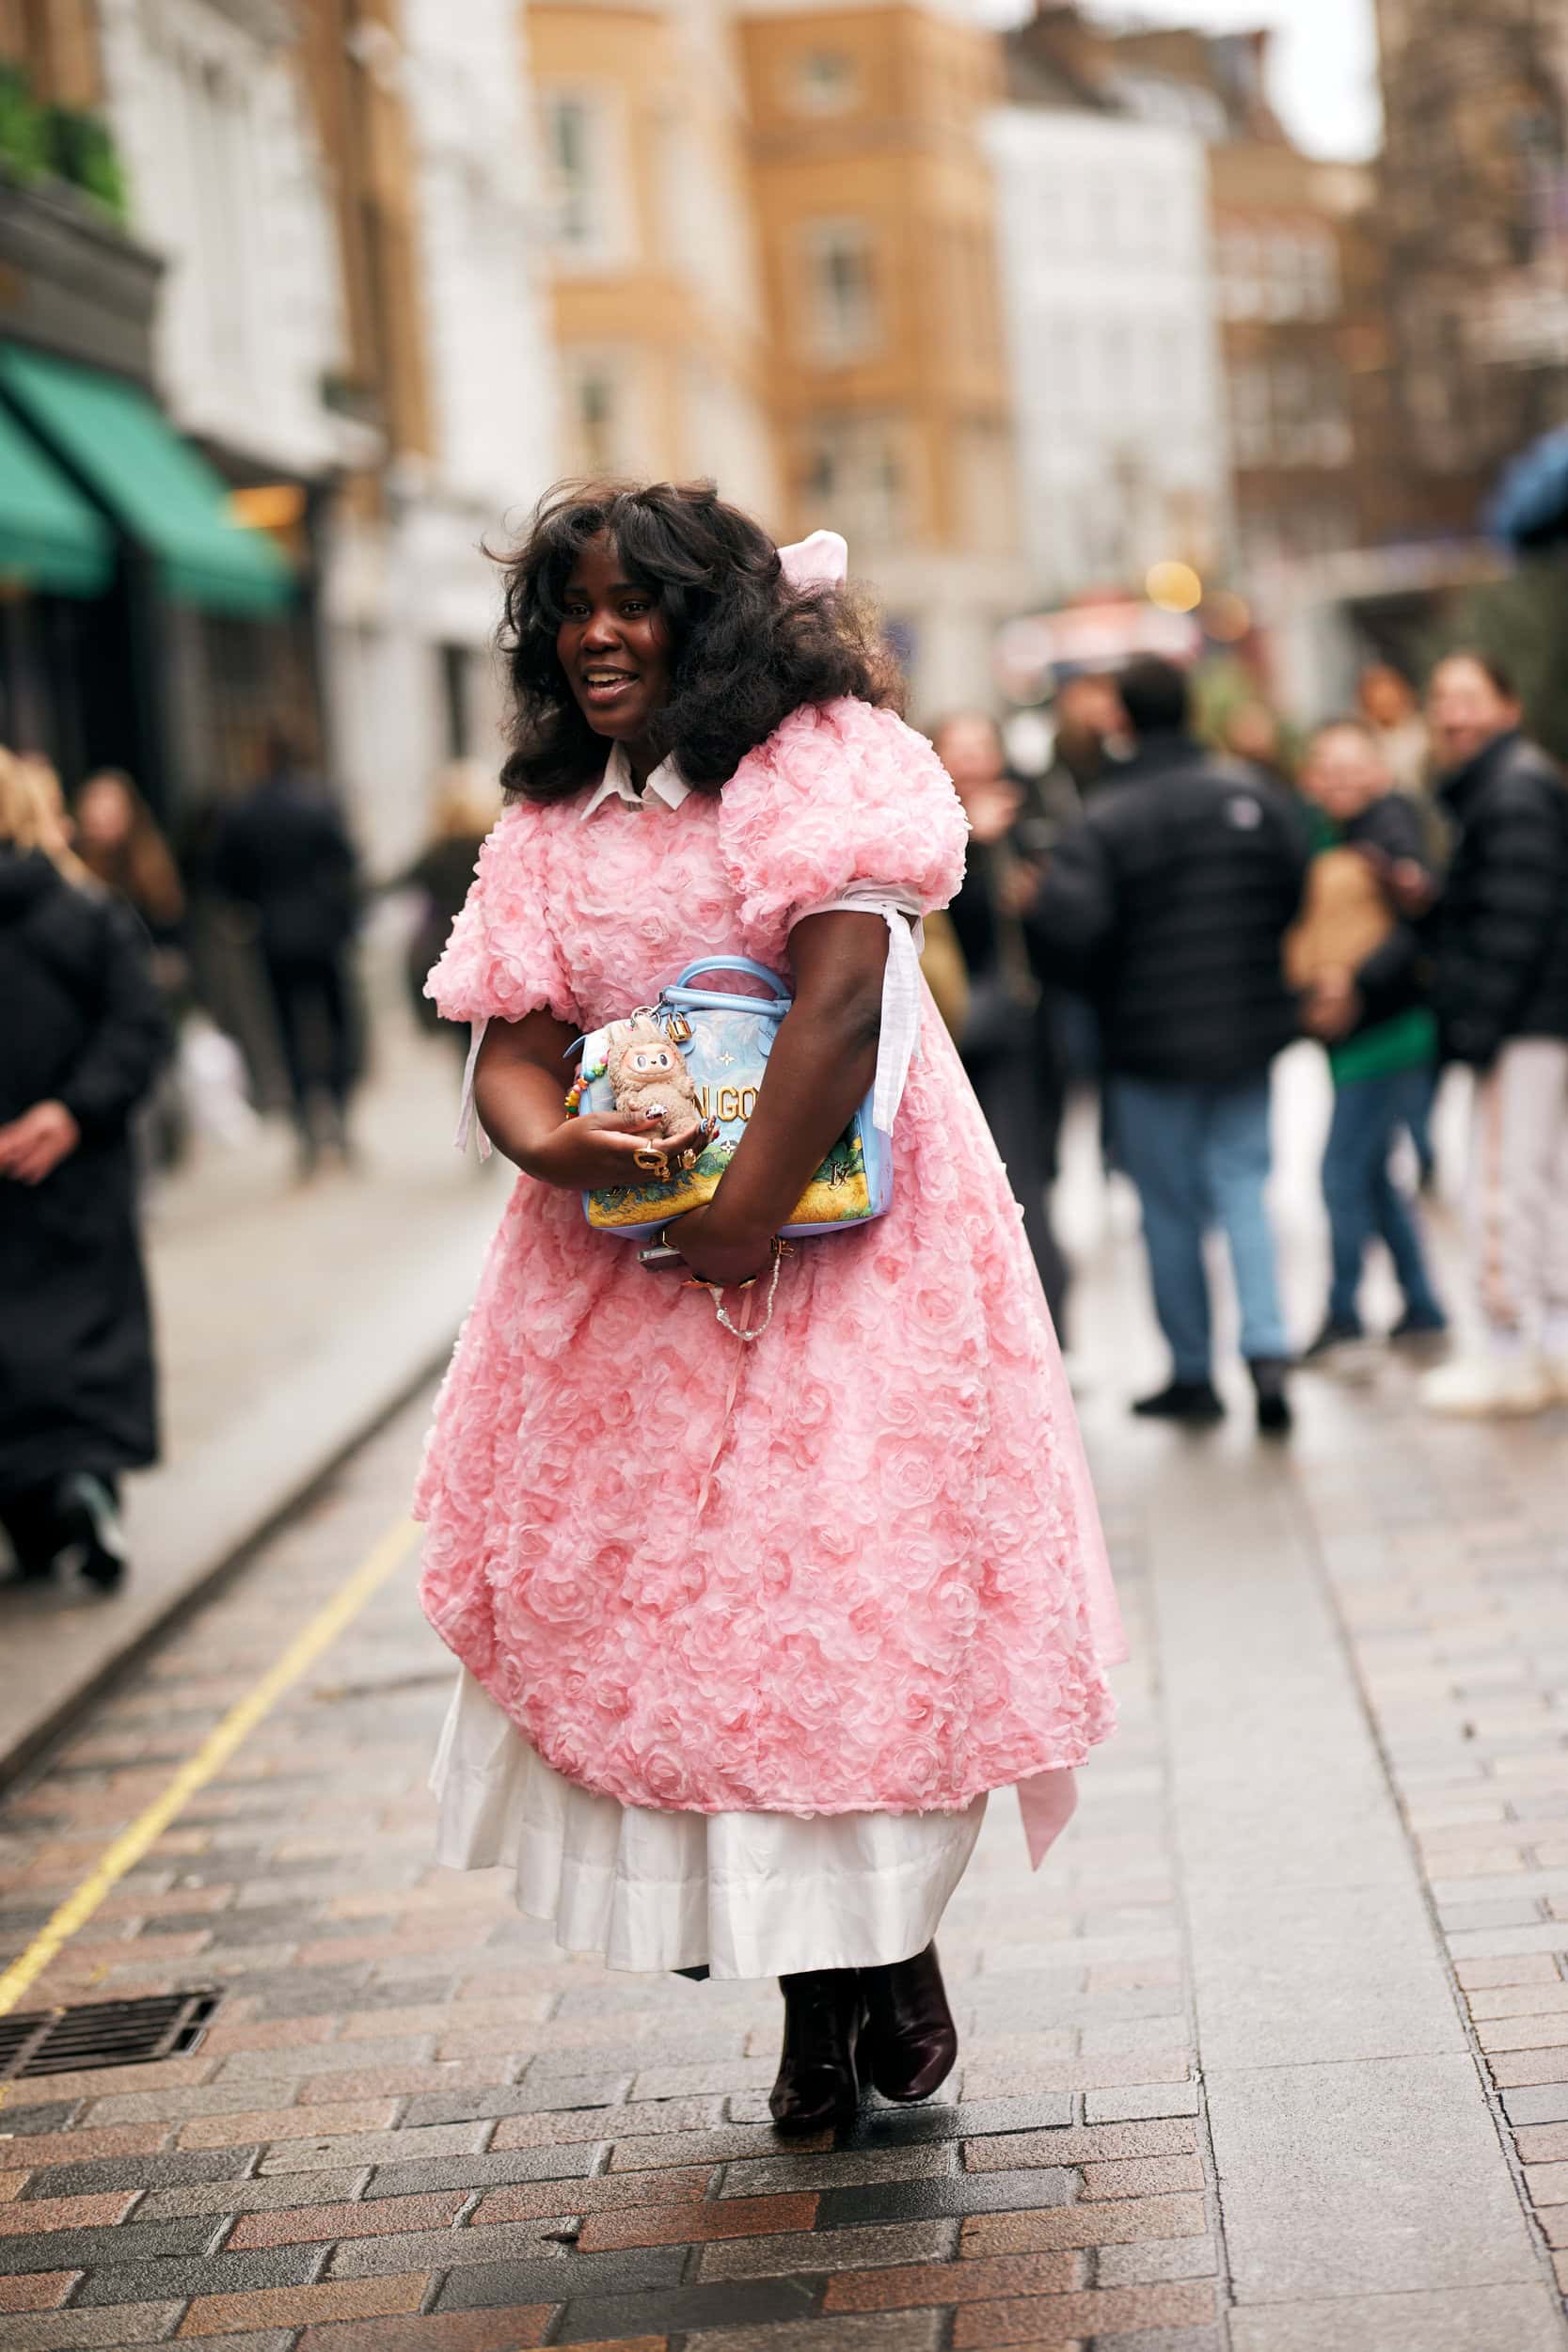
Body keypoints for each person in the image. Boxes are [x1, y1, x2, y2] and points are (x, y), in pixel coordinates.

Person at [415, 482, 1123, 2133]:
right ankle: (819, 1998)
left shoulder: (825, 764)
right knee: (705, 1638)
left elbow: (844, 1000)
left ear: (714, 620)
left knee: (845, 1619)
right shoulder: (548, 820)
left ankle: (884, 1967)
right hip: (628, 1284)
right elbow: (509, 1046)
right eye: (570, 607)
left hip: (857, 1272)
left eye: (631, 603)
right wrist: (556, 1144)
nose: (596, 633)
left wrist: (741, 1221)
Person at [1031, 655, 1308, 1433]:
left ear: (1120, 717)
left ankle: (1192, 1371)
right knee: (1244, 1184)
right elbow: (1292, 890)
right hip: (1248, 1030)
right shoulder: (1253, 794)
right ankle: (1267, 1346)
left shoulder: (1108, 817)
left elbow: (1071, 935)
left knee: (1167, 1208)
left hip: (1147, 1044)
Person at [0, 752, 166, 1589]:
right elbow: (138, 1027)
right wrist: (72, 1111)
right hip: (77, 1172)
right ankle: (87, 1487)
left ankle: (35, 1521)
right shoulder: (86, 912)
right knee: (88, 1336)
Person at [1417, 652, 1568, 1418]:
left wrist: (1474, 1030)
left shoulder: (1511, 792)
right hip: (1533, 1019)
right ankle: (1548, 1344)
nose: (1452, 715)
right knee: (1539, 1181)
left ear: (1507, 707)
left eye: (1469, 698)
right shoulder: (1514, 784)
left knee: (1503, 1186)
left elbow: (1515, 923)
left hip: (1519, 1025)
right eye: (1442, 700)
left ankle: (1509, 1351)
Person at [1290, 720, 1447, 1365]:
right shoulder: (1332, 830)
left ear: (1379, 772)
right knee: (1374, 1177)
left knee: (1339, 1174)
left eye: (1352, 765)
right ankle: (1421, 1303)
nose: (1339, 778)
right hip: (1355, 1037)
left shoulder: (1390, 831)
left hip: (1387, 1034)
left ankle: (1345, 1311)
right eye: (1327, 765)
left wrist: (1352, 982)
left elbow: (1417, 929)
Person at [934, 710, 1070, 1333]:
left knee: (1025, 1168)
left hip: (1022, 1023)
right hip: (956, 1021)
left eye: (981, 743)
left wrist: (1038, 894)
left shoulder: (1030, 811)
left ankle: (1040, 1316)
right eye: (958, 746)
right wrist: (968, 841)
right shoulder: (928, 823)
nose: (972, 758)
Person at [211, 731, 362, 1176]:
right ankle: (339, 1112)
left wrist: (249, 909)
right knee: (337, 1025)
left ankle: (305, 1125)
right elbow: (346, 861)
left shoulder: (242, 811)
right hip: (325, 932)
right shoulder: (319, 801)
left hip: (273, 935)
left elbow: (224, 875)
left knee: (286, 1031)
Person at [75, 769, 191, 1174]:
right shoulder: (75, 872)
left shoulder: (149, 863)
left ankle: (163, 1150)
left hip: (147, 988)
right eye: (95, 811)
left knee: (154, 1079)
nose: (101, 821)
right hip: (100, 995)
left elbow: (170, 921)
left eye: (109, 811)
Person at [398, 760, 500, 1057]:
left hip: (446, 954)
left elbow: (400, 882)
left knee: (465, 1048)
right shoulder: (494, 845)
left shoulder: (436, 852)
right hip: (491, 954)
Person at [1358, 662, 1431, 801]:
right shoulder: (1362, 739)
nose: (1384, 701)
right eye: (1376, 695)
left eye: (1389, 694)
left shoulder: (1423, 734)